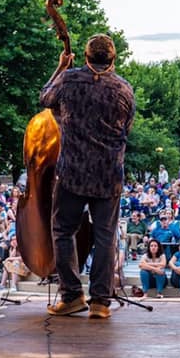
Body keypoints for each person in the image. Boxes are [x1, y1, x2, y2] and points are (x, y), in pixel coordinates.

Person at [40, 34, 135, 320]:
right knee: (105, 236)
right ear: (113, 59)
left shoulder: (69, 79)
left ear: (85, 56)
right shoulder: (123, 88)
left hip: (73, 172)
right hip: (108, 174)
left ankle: (71, 295)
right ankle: (100, 302)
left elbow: (45, 98)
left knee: (63, 231)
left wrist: (60, 67)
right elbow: (126, 128)